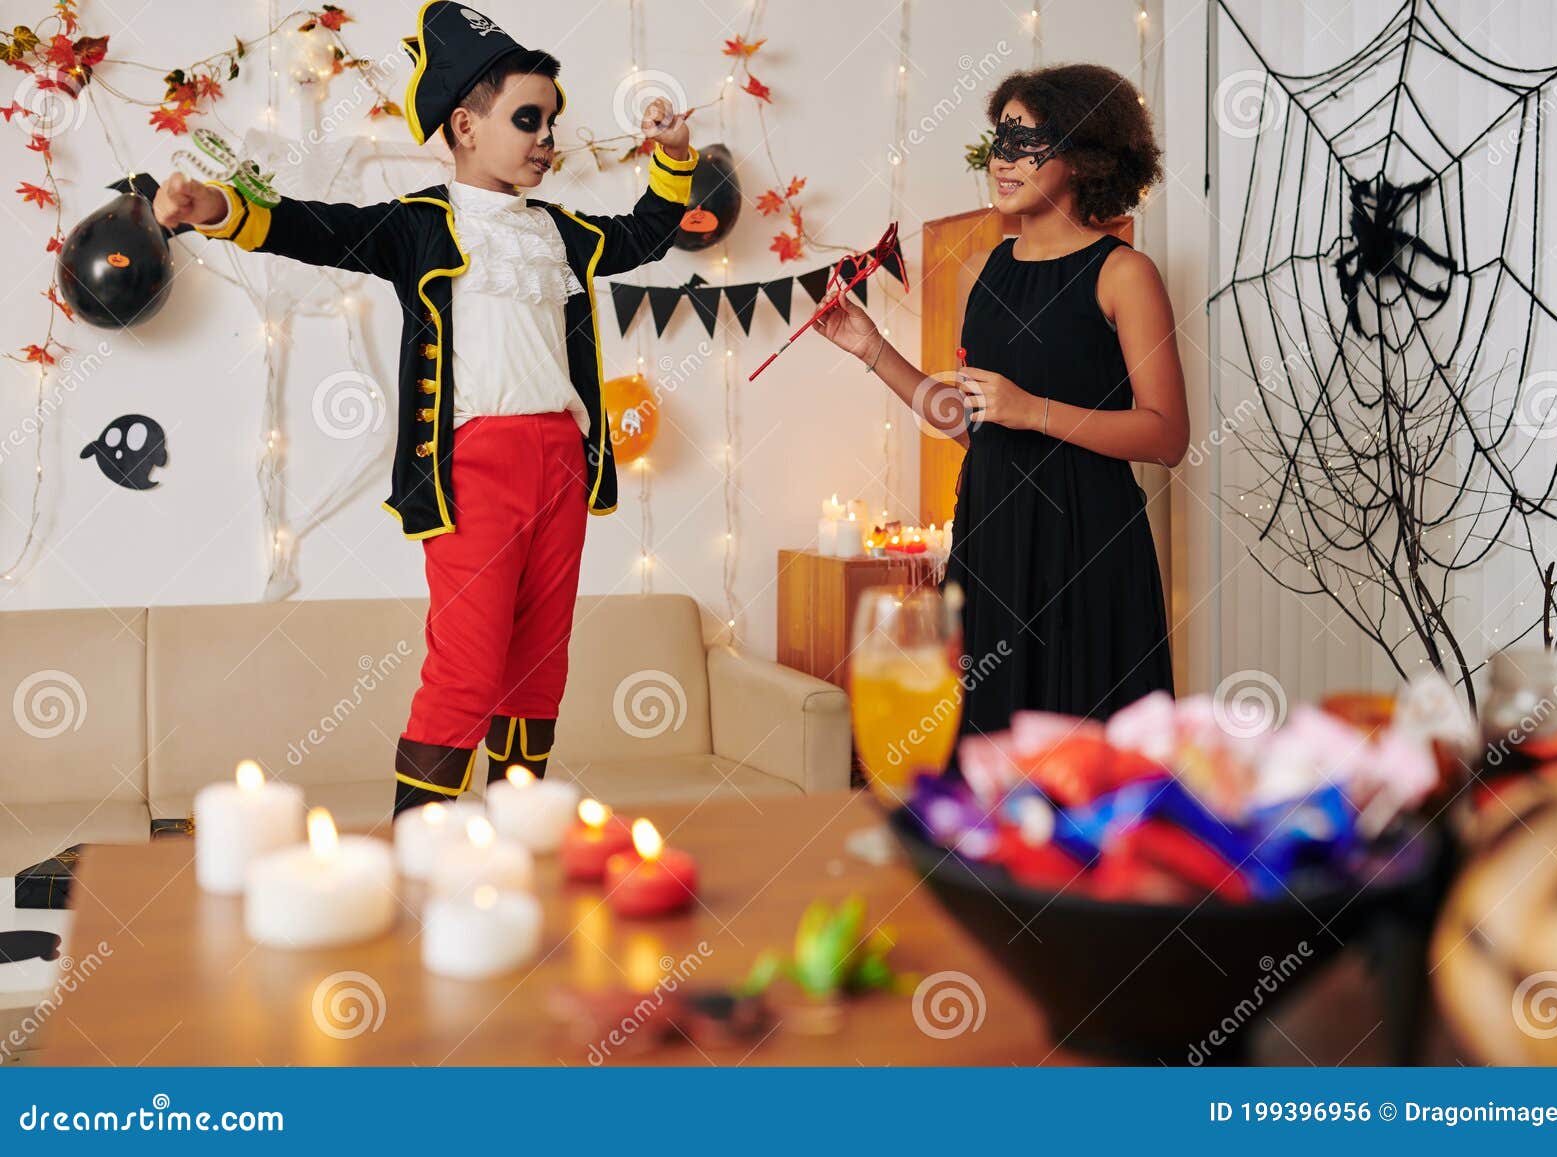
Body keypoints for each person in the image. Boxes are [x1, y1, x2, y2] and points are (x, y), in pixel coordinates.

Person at [154, 1, 698, 815]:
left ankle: (517, 831)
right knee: (468, 665)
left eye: (552, 120)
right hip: (475, 470)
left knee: (540, 662)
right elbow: (319, 228)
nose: (548, 137)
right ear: (466, 126)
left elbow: (648, 231)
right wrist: (222, 211)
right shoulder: (420, 225)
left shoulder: (559, 231)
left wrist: (675, 156)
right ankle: (422, 846)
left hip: (564, 465)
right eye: (528, 118)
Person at [815, 63, 1183, 735]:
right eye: (999, 138)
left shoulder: (1124, 273)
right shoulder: (982, 270)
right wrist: (873, 349)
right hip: (990, 538)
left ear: (1082, 156)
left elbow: (1167, 436)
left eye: (1026, 141)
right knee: (982, 757)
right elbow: (976, 426)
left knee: (1088, 765)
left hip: (1087, 542)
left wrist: (1031, 409)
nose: (1003, 158)